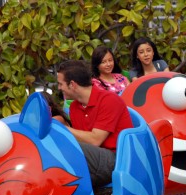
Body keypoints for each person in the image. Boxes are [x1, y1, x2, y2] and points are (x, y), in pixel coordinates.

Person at [57, 60, 133, 188]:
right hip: (94, 161)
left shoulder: (109, 100)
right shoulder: (75, 107)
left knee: (66, 149)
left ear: (72, 84)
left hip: (118, 160)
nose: (59, 88)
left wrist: (61, 128)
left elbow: (94, 140)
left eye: (60, 84)